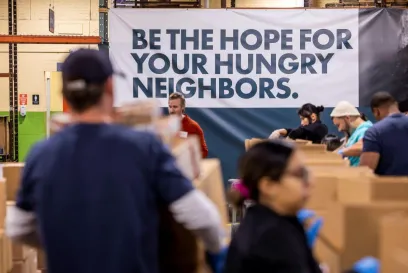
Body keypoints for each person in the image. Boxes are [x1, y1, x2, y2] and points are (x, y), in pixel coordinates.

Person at [5, 49, 225, 273]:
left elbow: (16, 228)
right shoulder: (144, 147)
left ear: (65, 94)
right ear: (109, 86)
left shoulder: (41, 154)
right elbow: (203, 217)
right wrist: (215, 253)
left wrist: (68, 244)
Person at [223, 140, 379, 273]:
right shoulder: (271, 237)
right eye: (299, 174)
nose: (310, 182)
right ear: (268, 186)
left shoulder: (278, 222)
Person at [360, 92, 408, 175]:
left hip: (388, 187)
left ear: (376, 111)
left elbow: (365, 172)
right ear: (396, 105)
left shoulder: (375, 132)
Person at [330, 101, 373, 167]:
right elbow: (345, 148)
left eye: (338, 125)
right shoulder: (355, 133)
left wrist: (341, 152)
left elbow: (364, 147)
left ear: (347, 118)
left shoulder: (366, 130)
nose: (339, 130)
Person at [168, 92, 208, 158]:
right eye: (170, 107)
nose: (171, 110)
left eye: (175, 107)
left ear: (182, 107)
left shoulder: (193, 126)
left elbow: (203, 151)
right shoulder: (165, 126)